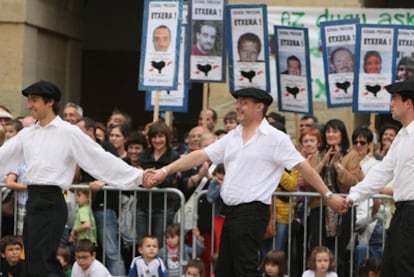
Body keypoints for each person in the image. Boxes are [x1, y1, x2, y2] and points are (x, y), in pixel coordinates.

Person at [144, 87, 347, 277]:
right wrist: (164, 171)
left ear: (259, 107)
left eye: (243, 102)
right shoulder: (233, 136)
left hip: (252, 211)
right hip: (230, 211)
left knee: (244, 269)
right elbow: (201, 155)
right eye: (237, 102)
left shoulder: (276, 138)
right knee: (225, 270)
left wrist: (328, 196)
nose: (237, 107)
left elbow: (304, 168)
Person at [0, 80, 144, 276]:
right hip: (33, 201)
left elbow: (99, 158)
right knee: (33, 260)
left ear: (50, 102)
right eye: (29, 101)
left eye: (34, 100)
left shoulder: (69, 132)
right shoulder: (27, 134)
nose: (29, 105)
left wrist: (138, 176)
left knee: (44, 259)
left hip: (52, 201)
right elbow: (3, 156)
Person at [345, 79, 414, 276]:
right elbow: (382, 171)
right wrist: (353, 196)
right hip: (401, 213)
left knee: (405, 269)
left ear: (408, 103)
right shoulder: (402, 136)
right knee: (391, 268)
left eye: (395, 99)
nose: (391, 103)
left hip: (411, 213)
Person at [306, 119, 363, 277]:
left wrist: (337, 165)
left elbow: (353, 182)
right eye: (328, 131)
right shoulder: (318, 153)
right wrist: (323, 163)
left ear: (342, 134)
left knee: (338, 252)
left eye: (335, 131)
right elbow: (309, 182)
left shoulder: (351, 155)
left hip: (343, 208)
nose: (331, 134)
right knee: (318, 251)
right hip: (319, 208)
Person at [75, 116, 127, 275]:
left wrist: (101, 181)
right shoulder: (80, 150)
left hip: (104, 206)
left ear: (90, 131)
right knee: (87, 250)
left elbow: (116, 169)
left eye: (79, 132)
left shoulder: (106, 147)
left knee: (111, 251)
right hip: (85, 207)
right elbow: (75, 178)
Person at [136, 120, 180, 246]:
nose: (157, 140)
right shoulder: (145, 154)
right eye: (154, 137)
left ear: (167, 137)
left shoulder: (173, 156)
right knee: (142, 243)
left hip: (164, 207)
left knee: (159, 244)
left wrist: (153, 179)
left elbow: (172, 180)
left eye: (160, 136)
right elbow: (139, 177)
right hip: (143, 205)